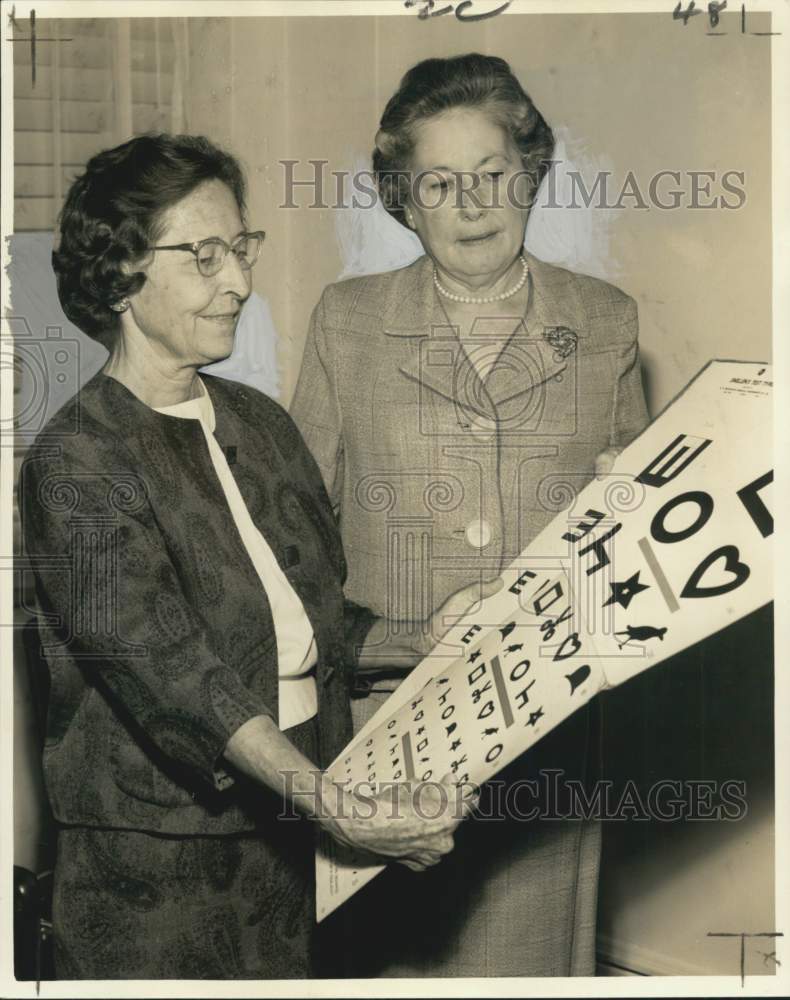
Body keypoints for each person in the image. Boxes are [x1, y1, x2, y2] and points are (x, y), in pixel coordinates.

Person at [19, 133, 495, 980]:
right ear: (122, 272)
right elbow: (172, 675)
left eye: (239, 250)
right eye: (204, 256)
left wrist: (422, 638)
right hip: (159, 881)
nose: (239, 281)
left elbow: (309, 624)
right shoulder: (75, 462)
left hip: (295, 844)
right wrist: (336, 808)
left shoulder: (259, 423)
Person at [290, 53, 650, 977]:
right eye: (439, 182)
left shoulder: (604, 320)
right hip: (391, 726)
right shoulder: (349, 320)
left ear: (531, 174)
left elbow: (635, 553)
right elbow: (292, 540)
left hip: (545, 733)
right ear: (403, 199)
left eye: (493, 174)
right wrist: (389, 642)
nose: (473, 202)